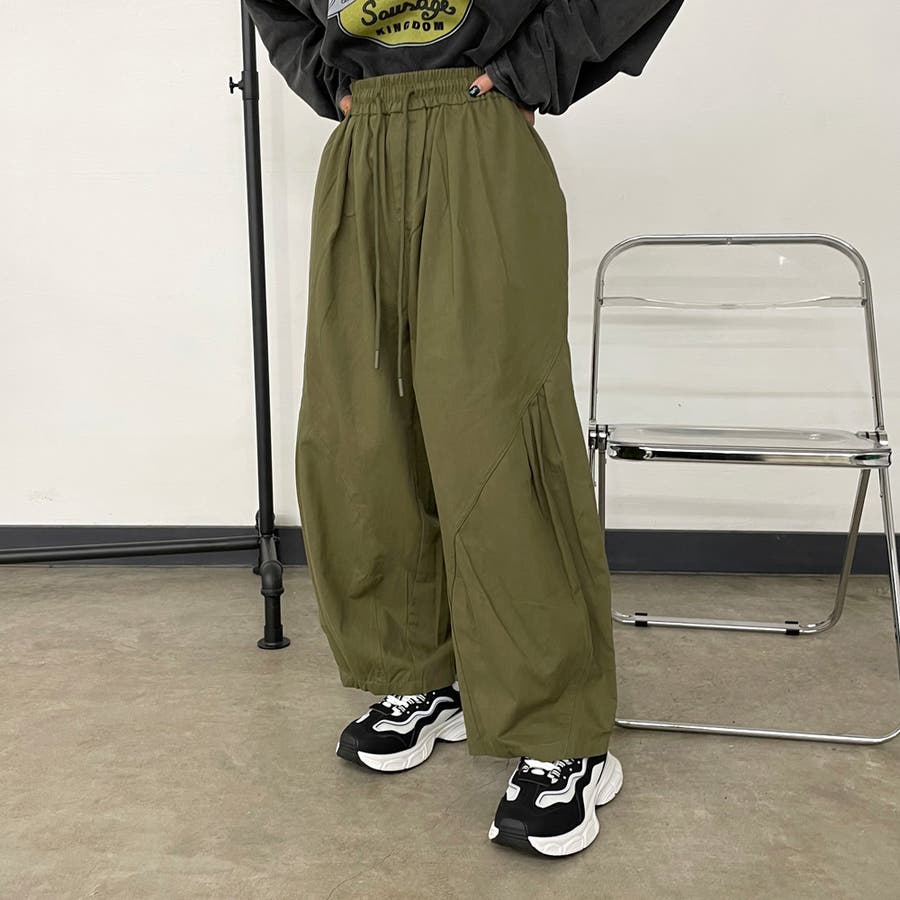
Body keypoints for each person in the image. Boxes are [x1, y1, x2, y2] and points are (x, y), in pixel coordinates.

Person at [243, 0, 683, 858]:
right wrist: (326, 80)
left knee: (499, 437)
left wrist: (532, 68)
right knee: (359, 438)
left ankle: (561, 732)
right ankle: (417, 674)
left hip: (476, 128)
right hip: (366, 136)